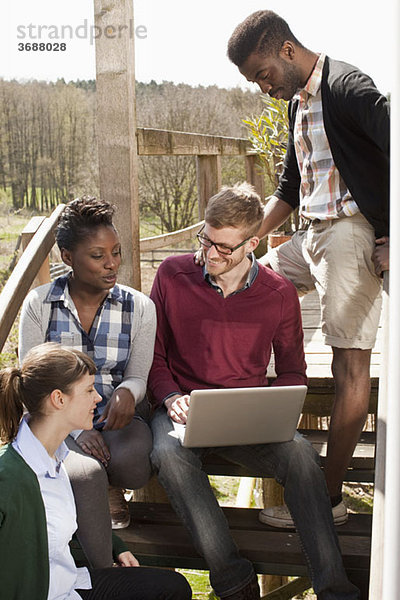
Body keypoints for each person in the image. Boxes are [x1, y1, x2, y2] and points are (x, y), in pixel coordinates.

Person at [148, 183, 359, 600]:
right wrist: (172, 397)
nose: (211, 255)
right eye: (206, 241)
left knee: (300, 454)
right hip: (180, 413)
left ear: (252, 243)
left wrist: (273, 408)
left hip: (247, 421)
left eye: (225, 248)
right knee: (168, 455)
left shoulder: (279, 294)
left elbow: (293, 372)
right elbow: (153, 357)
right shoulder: (172, 275)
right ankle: (234, 583)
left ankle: (335, 589)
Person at [227, 10, 389, 527]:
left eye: (263, 74)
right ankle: (231, 419)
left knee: (349, 365)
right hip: (310, 236)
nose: (262, 86)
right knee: (241, 283)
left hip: (350, 235)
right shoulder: (298, 104)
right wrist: (246, 241)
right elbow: (289, 189)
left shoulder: (349, 88)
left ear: (287, 51)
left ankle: (328, 498)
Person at [18, 196, 156, 568]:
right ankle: (99, 559)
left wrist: (128, 393)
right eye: (98, 255)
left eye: (116, 252)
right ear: (68, 256)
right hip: (56, 419)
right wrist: (75, 433)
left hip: (116, 417)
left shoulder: (139, 307)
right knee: (86, 471)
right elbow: (31, 382)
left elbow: (138, 375)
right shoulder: (40, 304)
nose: (112, 263)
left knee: (132, 463)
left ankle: (108, 490)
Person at [0, 343, 191, 600]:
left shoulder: (57, 457)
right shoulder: (9, 478)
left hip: (68, 586)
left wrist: (116, 546)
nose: (99, 398)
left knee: (173, 588)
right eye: (89, 390)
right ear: (59, 399)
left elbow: (53, 525)